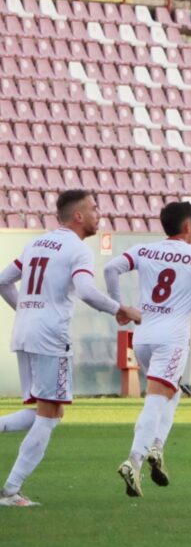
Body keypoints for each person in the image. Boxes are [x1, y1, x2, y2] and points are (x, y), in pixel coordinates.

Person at [0, 190, 141, 507]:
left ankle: (11, 490)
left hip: (24, 332)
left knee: (43, 411)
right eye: (93, 208)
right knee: (49, 416)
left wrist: (26, 311)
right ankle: (10, 491)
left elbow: (2, 281)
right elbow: (87, 291)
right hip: (50, 335)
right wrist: (121, 308)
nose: (98, 213)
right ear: (78, 216)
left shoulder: (38, 243)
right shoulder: (77, 249)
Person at [104, 201, 191, 497]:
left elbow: (110, 268)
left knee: (173, 392)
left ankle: (157, 447)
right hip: (172, 339)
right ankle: (134, 460)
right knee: (156, 399)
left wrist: (119, 306)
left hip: (143, 335)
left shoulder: (145, 250)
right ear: (188, 226)